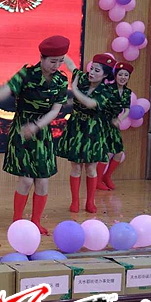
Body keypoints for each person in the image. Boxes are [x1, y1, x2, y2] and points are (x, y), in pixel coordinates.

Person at [0, 36, 70, 235]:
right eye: (52, 61)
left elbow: (55, 110)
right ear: (42, 57)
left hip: (41, 131)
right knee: (26, 179)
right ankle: (17, 221)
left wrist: (37, 126)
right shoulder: (26, 74)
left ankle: (36, 222)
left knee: (43, 180)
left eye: (60, 61)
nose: (56, 65)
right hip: (22, 129)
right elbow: (3, 92)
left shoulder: (61, 80)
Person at [59, 53, 115, 214]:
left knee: (91, 168)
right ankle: (75, 202)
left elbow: (91, 103)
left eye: (97, 71)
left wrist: (75, 89)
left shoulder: (106, 91)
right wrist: (61, 53)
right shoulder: (83, 78)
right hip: (76, 127)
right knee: (76, 167)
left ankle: (90, 202)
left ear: (105, 75)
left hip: (93, 130)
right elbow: (71, 66)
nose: (92, 72)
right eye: (92, 68)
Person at [98, 61, 133, 190]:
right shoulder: (107, 88)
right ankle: (97, 181)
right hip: (104, 122)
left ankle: (107, 176)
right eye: (120, 74)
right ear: (116, 76)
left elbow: (127, 110)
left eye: (126, 75)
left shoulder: (127, 92)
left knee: (119, 152)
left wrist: (119, 119)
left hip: (115, 123)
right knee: (106, 152)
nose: (123, 77)